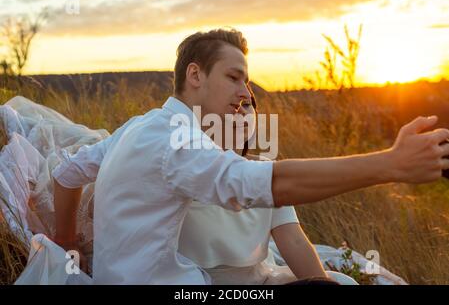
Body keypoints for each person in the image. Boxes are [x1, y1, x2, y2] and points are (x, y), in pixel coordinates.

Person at [52, 28, 449, 284]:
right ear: (195, 76)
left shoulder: (142, 126)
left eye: (247, 83)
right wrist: (390, 164)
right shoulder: (177, 141)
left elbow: (67, 173)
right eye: (234, 76)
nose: (245, 92)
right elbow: (264, 183)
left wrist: (67, 239)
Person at [179, 92, 349, 284]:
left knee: (341, 281)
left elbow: (294, 241)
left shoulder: (265, 170)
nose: (241, 111)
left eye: (248, 105)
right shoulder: (184, 172)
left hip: (262, 280)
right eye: (233, 105)